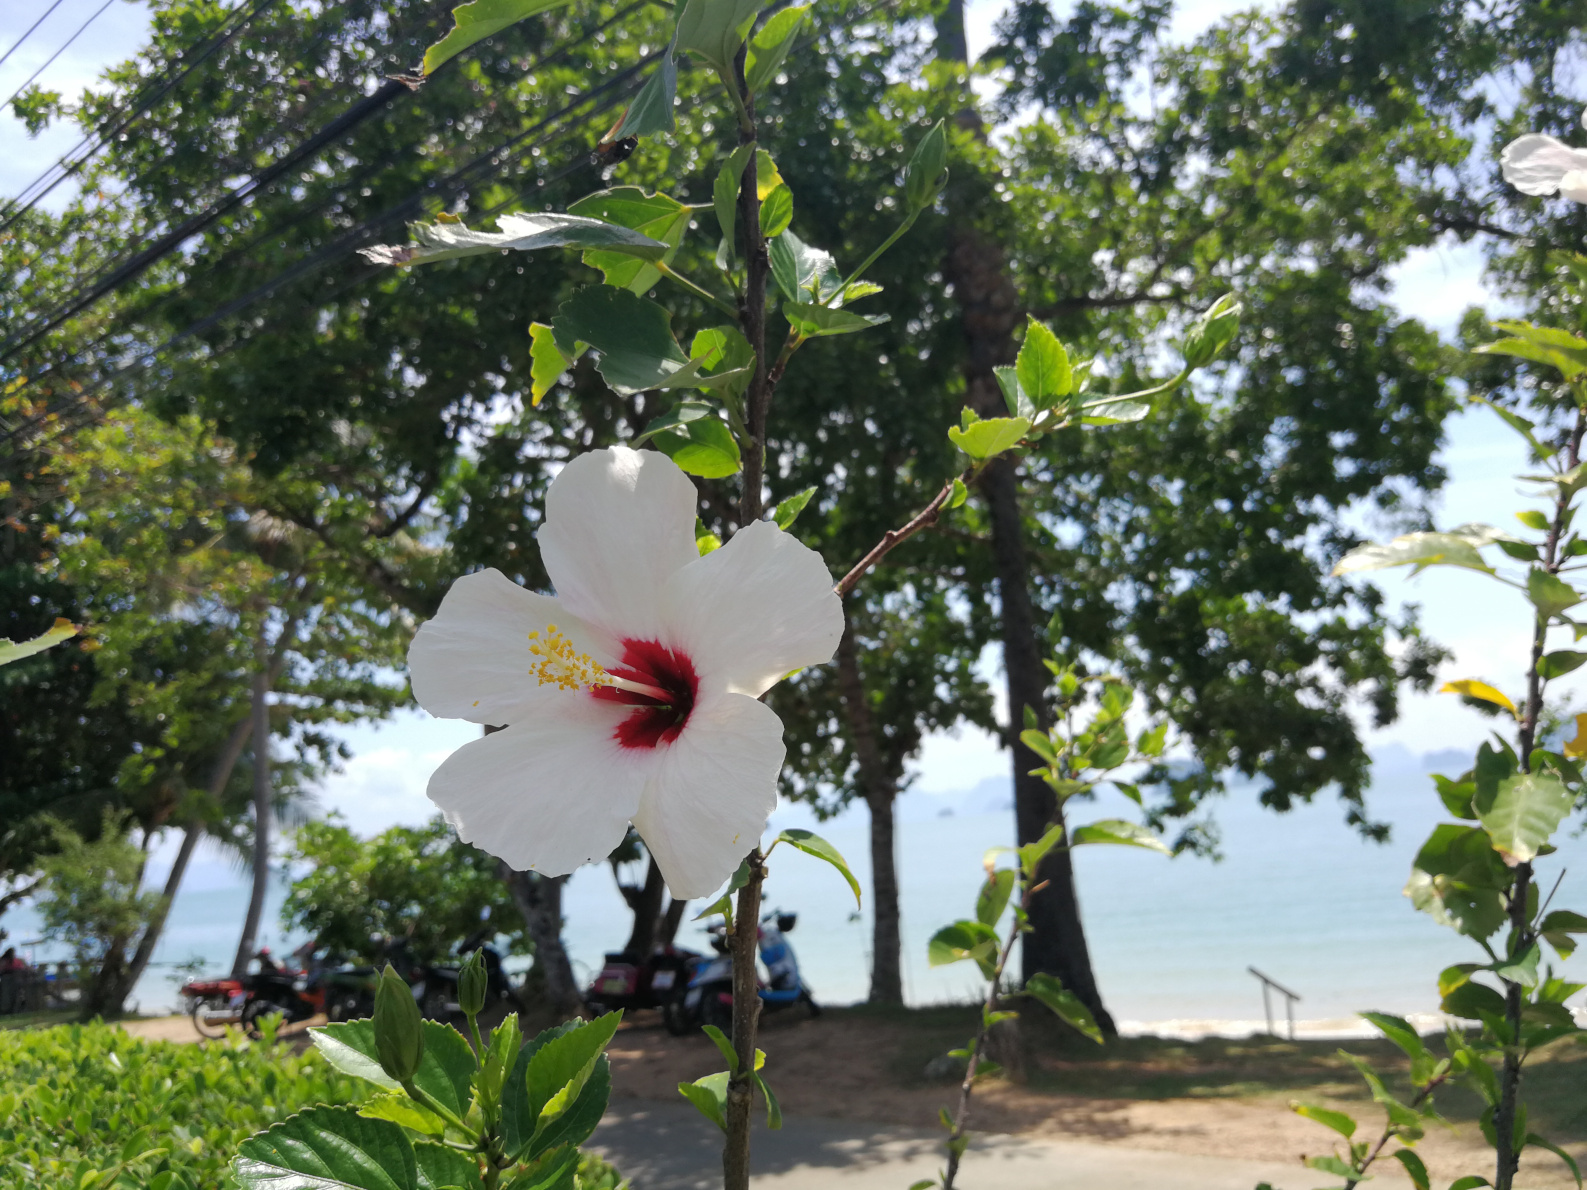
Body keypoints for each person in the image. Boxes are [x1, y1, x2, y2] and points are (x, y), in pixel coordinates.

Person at [0, 947, 28, 1015]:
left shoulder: (16, 961)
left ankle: (14, 1010)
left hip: (15, 980)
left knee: (14, 996)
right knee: (8, 996)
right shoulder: (4, 961)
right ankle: (8, 1010)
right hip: (8, 980)